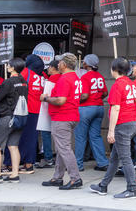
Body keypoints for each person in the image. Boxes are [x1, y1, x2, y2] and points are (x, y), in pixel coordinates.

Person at [90, 57, 136, 199]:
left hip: (123, 124)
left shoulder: (118, 85)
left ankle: (132, 189)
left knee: (125, 158)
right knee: (115, 158)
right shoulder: (130, 83)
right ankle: (103, 185)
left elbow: (116, 108)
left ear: (114, 70)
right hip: (132, 122)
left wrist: (111, 130)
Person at [40, 53, 82, 190]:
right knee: (61, 148)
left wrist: (45, 98)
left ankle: (75, 178)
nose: (57, 64)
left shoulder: (65, 79)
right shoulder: (76, 77)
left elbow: (60, 100)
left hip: (62, 117)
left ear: (64, 64)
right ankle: (58, 177)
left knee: (64, 149)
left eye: (59, 62)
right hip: (71, 115)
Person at [6, 54, 43, 175]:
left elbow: (15, 84)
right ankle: (29, 164)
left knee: (14, 136)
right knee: (31, 138)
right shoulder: (41, 77)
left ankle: (11, 164)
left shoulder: (26, 72)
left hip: (22, 110)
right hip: (37, 110)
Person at [0, 58, 28, 183]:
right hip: (20, 117)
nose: (7, 66)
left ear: (13, 67)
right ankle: (14, 175)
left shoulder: (8, 82)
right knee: (13, 146)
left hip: (7, 116)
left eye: (9, 65)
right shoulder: (24, 82)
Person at [74, 54, 109, 172]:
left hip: (86, 108)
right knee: (96, 136)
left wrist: (73, 100)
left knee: (80, 137)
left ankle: (78, 165)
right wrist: (97, 96)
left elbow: (84, 95)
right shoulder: (100, 76)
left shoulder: (84, 77)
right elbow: (105, 93)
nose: (82, 63)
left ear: (86, 64)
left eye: (84, 62)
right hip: (99, 108)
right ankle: (103, 163)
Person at [37, 59, 60, 169]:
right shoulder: (62, 78)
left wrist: (43, 98)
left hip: (50, 109)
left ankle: (48, 158)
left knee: (46, 133)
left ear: (54, 68)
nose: (48, 69)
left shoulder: (52, 79)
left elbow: (45, 96)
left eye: (50, 67)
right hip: (61, 111)